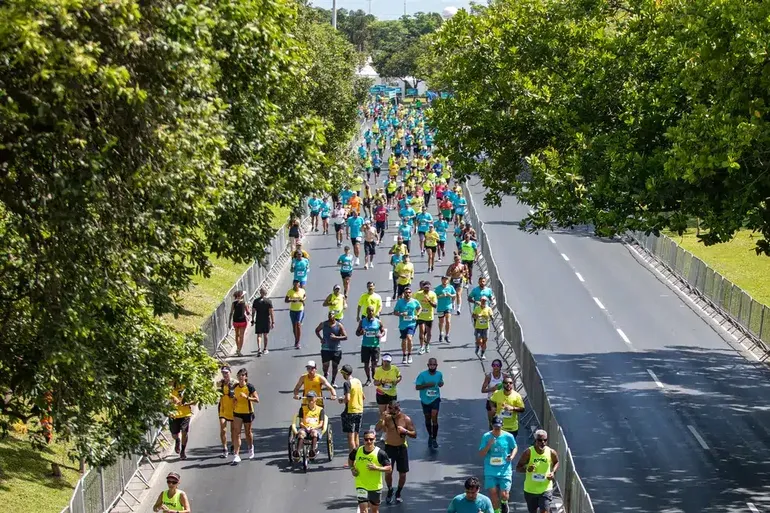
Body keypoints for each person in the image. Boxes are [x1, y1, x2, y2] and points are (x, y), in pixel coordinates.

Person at [375, 400, 417, 505]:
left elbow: (414, 434)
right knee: (388, 472)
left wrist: (405, 431)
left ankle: (398, 492)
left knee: (402, 474)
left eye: (390, 408)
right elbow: (377, 428)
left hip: (401, 448)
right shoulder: (387, 418)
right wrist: (382, 419)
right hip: (389, 448)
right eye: (388, 408)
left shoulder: (406, 419)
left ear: (397, 409)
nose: (388, 410)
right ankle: (390, 490)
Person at [479, 416, 517, 513]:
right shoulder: (486, 437)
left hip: (505, 470)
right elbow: (481, 454)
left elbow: (515, 447)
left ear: (502, 426)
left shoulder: (508, 437)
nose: (497, 429)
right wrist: (489, 445)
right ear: (492, 425)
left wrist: (511, 456)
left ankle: (504, 503)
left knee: (504, 494)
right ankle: (497, 511)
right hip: (490, 470)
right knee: (493, 493)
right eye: (495, 426)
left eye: (499, 427)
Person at [349, 430, 392, 513]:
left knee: (374, 511)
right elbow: (350, 459)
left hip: (375, 486)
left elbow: (389, 468)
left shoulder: (380, 453)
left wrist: (377, 468)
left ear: (375, 439)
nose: (369, 441)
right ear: (363, 440)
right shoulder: (357, 451)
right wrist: (352, 469)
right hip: (361, 485)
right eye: (366, 439)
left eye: (371, 439)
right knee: (363, 510)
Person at [516, 430, 559, 513]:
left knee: (544, 511)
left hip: (545, 489)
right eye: (540, 440)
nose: (542, 442)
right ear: (535, 440)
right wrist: (527, 469)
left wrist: (553, 472)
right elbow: (518, 468)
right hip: (530, 490)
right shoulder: (528, 452)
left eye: (545, 440)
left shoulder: (551, 452)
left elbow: (556, 462)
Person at [231, 368, 259, 464]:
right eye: (239, 375)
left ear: (246, 377)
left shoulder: (250, 387)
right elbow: (234, 397)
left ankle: (251, 447)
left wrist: (247, 397)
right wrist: (234, 400)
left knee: (248, 432)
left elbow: (257, 399)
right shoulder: (235, 387)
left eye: (243, 375)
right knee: (237, 432)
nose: (241, 377)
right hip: (237, 412)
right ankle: (236, 454)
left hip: (248, 412)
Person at [414, 357, 443, 448]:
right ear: (428, 365)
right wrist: (427, 385)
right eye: (430, 364)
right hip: (425, 400)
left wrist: (441, 384)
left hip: (435, 398)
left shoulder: (439, 374)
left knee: (434, 417)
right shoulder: (422, 375)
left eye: (434, 365)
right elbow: (417, 387)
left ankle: (434, 438)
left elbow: (441, 382)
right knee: (427, 418)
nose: (432, 366)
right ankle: (430, 435)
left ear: (436, 366)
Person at [314, 312, 348, 387]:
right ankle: (325, 375)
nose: (330, 317)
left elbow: (345, 337)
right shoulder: (323, 324)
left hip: (336, 349)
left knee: (335, 366)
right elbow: (317, 330)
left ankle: (333, 381)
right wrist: (321, 338)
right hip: (325, 348)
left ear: (334, 317)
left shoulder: (339, 325)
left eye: (332, 315)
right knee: (325, 365)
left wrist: (336, 338)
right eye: (329, 315)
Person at [339, 364, 365, 455]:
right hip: (360, 410)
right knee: (356, 434)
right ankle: (357, 456)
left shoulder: (347, 383)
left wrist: (342, 400)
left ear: (344, 374)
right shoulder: (358, 381)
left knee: (350, 435)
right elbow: (363, 396)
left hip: (351, 411)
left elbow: (348, 398)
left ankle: (353, 457)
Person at [357, 305, 385, 386]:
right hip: (365, 346)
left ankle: (373, 373)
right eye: (369, 311)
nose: (370, 312)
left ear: (374, 312)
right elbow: (357, 333)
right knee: (366, 364)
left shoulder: (378, 322)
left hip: (375, 346)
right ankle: (368, 378)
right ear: (366, 312)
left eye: (372, 311)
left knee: (374, 364)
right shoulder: (362, 322)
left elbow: (383, 331)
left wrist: (380, 335)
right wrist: (361, 333)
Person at [293, 390, 326, 459]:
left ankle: (313, 451)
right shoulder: (302, 409)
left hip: (315, 428)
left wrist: (313, 428)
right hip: (305, 428)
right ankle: (297, 452)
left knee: (314, 433)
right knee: (301, 433)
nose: (310, 400)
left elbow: (321, 424)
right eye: (309, 398)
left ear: (316, 399)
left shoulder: (320, 410)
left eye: (312, 398)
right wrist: (305, 427)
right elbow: (301, 422)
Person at [394, 286, 421, 365]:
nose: (408, 294)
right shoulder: (400, 302)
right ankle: (404, 355)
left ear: (411, 293)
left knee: (409, 338)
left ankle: (409, 354)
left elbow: (419, 308)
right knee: (404, 340)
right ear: (404, 294)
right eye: (406, 293)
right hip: (403, 324)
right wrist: (401, 314)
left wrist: (417, 315)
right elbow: (395, 312)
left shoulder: (414, 301)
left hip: (411, 323)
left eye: (409, 292)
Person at [169, 381, 194, 460]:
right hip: (174, 413)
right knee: (174, 434)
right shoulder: (171, 383)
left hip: (185, 413)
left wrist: (187, 403)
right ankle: (177, 440)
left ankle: (183, 451)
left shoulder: (188, 384)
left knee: (184, 431)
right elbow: (164, 392)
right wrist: (173, 397)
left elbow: (196, 400)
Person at [481, 360, 508, 429]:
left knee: (502, 422)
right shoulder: (489, 377)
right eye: (494, 365)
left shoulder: (504, 376)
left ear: (500, 367)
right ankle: (492, 437)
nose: (495, 367)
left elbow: (509, 388)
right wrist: (492, 389)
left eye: (497, 365)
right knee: (491, 422)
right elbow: (483, 390)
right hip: (491, 401)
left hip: (501, 401)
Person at [414, 280, 438, 355]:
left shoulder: (433, 294)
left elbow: (435, 305)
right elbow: (414, 303)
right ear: (423, 287)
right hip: (421, 316)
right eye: (425, 287)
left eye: (428, 287)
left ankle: (427, 344)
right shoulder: (418, 294)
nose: (427, 288)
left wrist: (429, 300)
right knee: (421, 331)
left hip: (429, 316)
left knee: (429, 333)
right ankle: (422, 347)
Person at [217, 366, 236, 458]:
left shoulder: (235, 383)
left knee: (233, 430)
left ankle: (233, 445)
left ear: (230, 372)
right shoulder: (220, 383)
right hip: (223, 408)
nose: (225, 375)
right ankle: (224, 448)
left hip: (232, 408)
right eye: (223, 373)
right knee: (223, 429)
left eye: (226, 373)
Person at [251, 287, 274, 356]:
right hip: (266, 319)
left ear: (260, 293)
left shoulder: (256, 301)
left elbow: (253, 311)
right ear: (265, 293)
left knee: (259, 335)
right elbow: (271, 312)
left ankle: (259, 348)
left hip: (258, 319)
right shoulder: (268, 301)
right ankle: (265, 348)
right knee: (265, 334)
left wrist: (252, 319)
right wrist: (273, 322)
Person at [285, 280, 307, 349]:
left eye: (297, 285)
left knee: (298, 324)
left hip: (300, 310)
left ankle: (298, 342)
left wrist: (303, 299)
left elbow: (305, 296)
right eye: (294, 285)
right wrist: (291, 300)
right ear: (293, 284)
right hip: (292, 310)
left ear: (299, 285)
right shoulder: (290, 291)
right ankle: (296, 339)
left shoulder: (302, 291)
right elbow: (286, 300)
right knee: (294, 326)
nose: (296, 286)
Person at [434, 276, 457, 343]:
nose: (445, 281)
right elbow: (434, 297)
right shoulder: (438, 288)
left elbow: (454, 294)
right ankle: (441, 333)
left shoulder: (450, 287)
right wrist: (441, 296)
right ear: (441, 280)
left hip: (448, 306)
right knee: (441, 322)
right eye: (444, 280)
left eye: (446, 280)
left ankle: (447, 335)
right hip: (440, 307)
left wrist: (450, 295)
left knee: (448, 321)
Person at [229, 290, 250, 357]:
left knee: (236, 335)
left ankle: (238, 348)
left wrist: (229, 322)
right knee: (241, 336)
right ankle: (239, 350)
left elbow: (231, 313)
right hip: (242, 321)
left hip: (235, 321)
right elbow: (248, 312)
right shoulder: (245, 303)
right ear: (242, 296)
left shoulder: (233, 303)